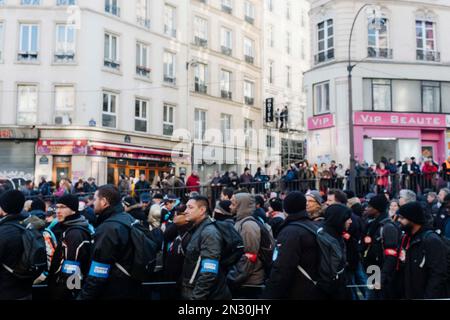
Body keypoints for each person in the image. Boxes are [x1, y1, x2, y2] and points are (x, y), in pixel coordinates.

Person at [77, 185, 142, 300]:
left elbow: (98, 272)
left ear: (104, 202)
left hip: (113, 291)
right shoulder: (127, 218)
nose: (93, 203)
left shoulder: (108, 228)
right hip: (131, 288)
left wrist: (83, 297)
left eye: (95, 199)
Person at [262, 192, 323, 299]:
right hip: (314, 287)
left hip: (298, 290)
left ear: (286, 208)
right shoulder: (312, 227)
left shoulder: (290, 232)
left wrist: (269, 295)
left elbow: (282, 267)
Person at [180, 195, 231, 300]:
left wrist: (197, 297)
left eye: (190, 207)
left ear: (202, 210)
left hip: (208, 295)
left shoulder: (209, 232)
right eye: (186, 207)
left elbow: (209, 270)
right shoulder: (196, 229)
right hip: (193, 291)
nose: (185, 211)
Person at [397, 201, 448, 299]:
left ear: (413, 219)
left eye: (402, 218)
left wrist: (428, 297)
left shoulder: (431, 240)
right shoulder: (408, 239)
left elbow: (438, 274)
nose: (399, 220)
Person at [47, 195, 92, 300]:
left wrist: (67, 293)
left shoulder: (75, 234)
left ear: (73, 210)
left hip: (65, 291)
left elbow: (73, 269)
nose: (58, 211)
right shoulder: (66, 228)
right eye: (57, 207)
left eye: (62, 207)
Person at [362, 194, 401, 300]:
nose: (367, 209)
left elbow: (391, 255)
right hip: (372, 269)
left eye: (370, 207)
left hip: (382, 273)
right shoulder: (372, 224)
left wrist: (381, 278)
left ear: (377, 209)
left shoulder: (387, 227)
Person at [0, 190, 34, 300]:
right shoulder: (29, 227)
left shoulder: (3, 232)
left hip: (5, 292)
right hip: (26, 290)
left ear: (3, 207)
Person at [227, 193, 265, 290]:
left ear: (241, 205)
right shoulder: (240, 222)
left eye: (233, 204)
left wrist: (233, 278)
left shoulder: (248, 226)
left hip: (249, 282)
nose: (230, 206)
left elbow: (250, 257)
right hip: (242, 279)